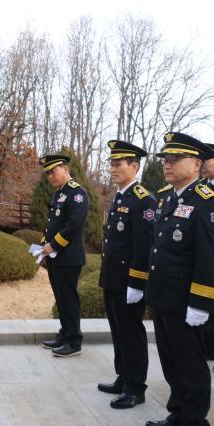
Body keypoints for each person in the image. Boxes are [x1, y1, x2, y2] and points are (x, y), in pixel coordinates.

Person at [145, 132, 214, 426]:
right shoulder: (168, 199)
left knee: (191, 366)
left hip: (187, 303)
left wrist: (200, 302)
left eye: (175, 159)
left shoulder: (205, 202)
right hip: (164, 298)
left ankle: (194, 420)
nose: (167, 164)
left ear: (197, 164)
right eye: (165, 159)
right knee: (171, 364)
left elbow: (209, 257)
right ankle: (178, 414)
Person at [97, 140, 155, 409]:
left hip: (129, 282)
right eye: (111, 163)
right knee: (118, 331)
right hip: (113, 278)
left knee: (131, 333)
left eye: (118, 164)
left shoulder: (144, 200)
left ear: (134, 166)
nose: (112, 168)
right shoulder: (121, 195)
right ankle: (123, 376)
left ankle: (135, 387)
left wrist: (136, 283)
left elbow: (143, 248)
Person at [38, 155, 89, 357]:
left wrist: (54, 245)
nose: (50, 176)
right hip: (56, 256)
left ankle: (74, 341)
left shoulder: (77, 194)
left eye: (53, 171)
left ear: (65, 169)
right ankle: (65, 333)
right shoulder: (60, 194)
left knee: (69, 299)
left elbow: (73, 226)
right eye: (48, 173)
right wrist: (44, 243)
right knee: (61, 298)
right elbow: (53, 224)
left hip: (69, 257)